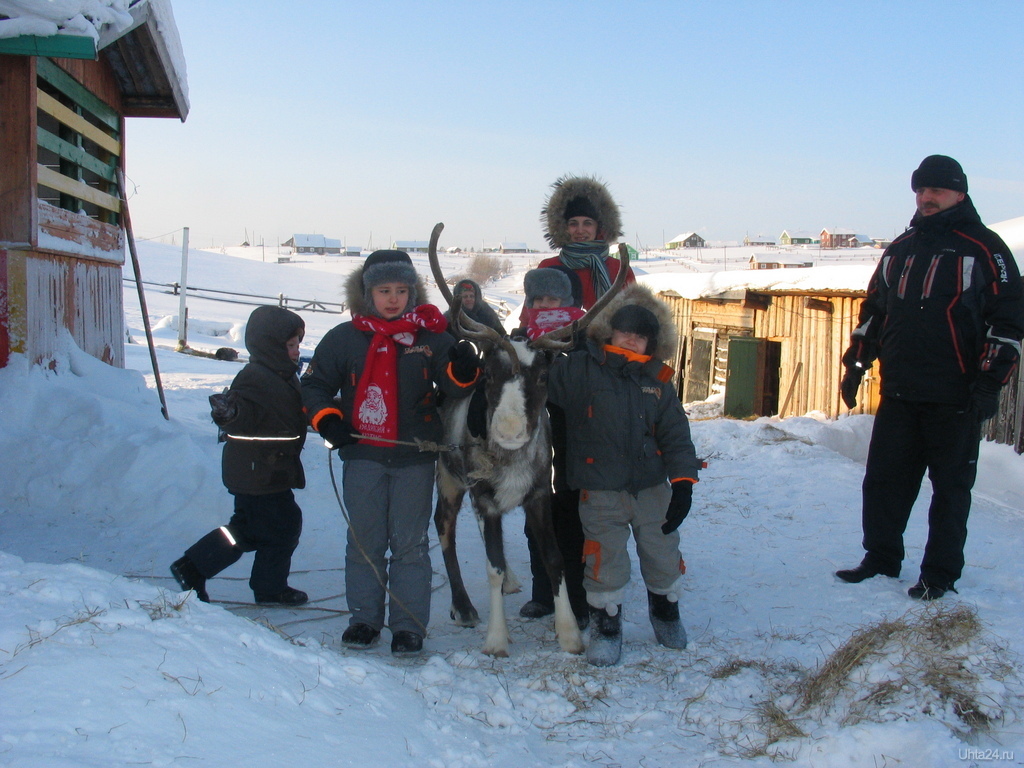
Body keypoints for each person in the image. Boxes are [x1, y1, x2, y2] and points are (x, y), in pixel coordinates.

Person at [836, 155, 1024, 600]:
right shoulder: (900, 250)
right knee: (884, 482)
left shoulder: (986, 249)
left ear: (959, 193)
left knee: (951, 491)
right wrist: (857, 363)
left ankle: (939, 575)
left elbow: (1009, 321)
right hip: (900, 391)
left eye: (937, 189)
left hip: (955, 395)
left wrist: (988, 383)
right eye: (921, 190)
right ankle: (881, 559)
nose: (926, 197)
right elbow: (875, 312)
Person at [301, 250, 480, 655]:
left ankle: (408, 625)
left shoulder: (431, 336)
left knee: (410, 543)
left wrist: (464, 369)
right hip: (361, 456)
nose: (394, 298)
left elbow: (456, 388)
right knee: (365, 541)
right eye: (384, 290)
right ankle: (364, 621)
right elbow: (313, 387)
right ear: (368, 293)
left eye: (402, 290)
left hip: (414, 457)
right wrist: (327, 419)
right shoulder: (344, 338)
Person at [547, 284, 700, 666]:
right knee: (603, 560)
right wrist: (533, 346)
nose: (632, 339)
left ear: (653, 342)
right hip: (599, 491)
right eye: (625, 330)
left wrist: (683, 483)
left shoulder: (658, 381)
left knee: (663, 553)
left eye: (642, 335)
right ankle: (607, 628)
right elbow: (539, 377)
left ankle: (666, 614)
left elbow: (676, 435)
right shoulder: (580, 369)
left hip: (651, 490)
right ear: (608, 331)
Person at [170, 306, 309, 606]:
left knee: (273, 526)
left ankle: (267, 585)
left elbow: (285, 413)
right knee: (264, 527)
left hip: (271, 470)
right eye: (290, 345)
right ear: (270, 346)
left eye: (298, 344)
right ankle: (195, 567)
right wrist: (230, 413)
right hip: (256, 471)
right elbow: (243, 412)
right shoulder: (255, 377)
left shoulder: (283, 375)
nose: (297, 351)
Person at [511, 268, 589, 628]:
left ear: (567, 301)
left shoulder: (583, 339)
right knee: (536, 524)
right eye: (538, 299)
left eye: (552, 299)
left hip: (573, 442)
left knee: (572, 524)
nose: (545, 305)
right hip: (533, 447)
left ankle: (577, 598)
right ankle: (542, 594)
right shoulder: (519, 339)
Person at [538, 174, 635, 310]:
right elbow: (530, 317)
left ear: (599, 226)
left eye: (587, 223)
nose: (580, 230)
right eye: (573, 223)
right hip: (558, 332)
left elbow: (632, 317)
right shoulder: (549, 268)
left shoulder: (619, 270)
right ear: (564, 227)